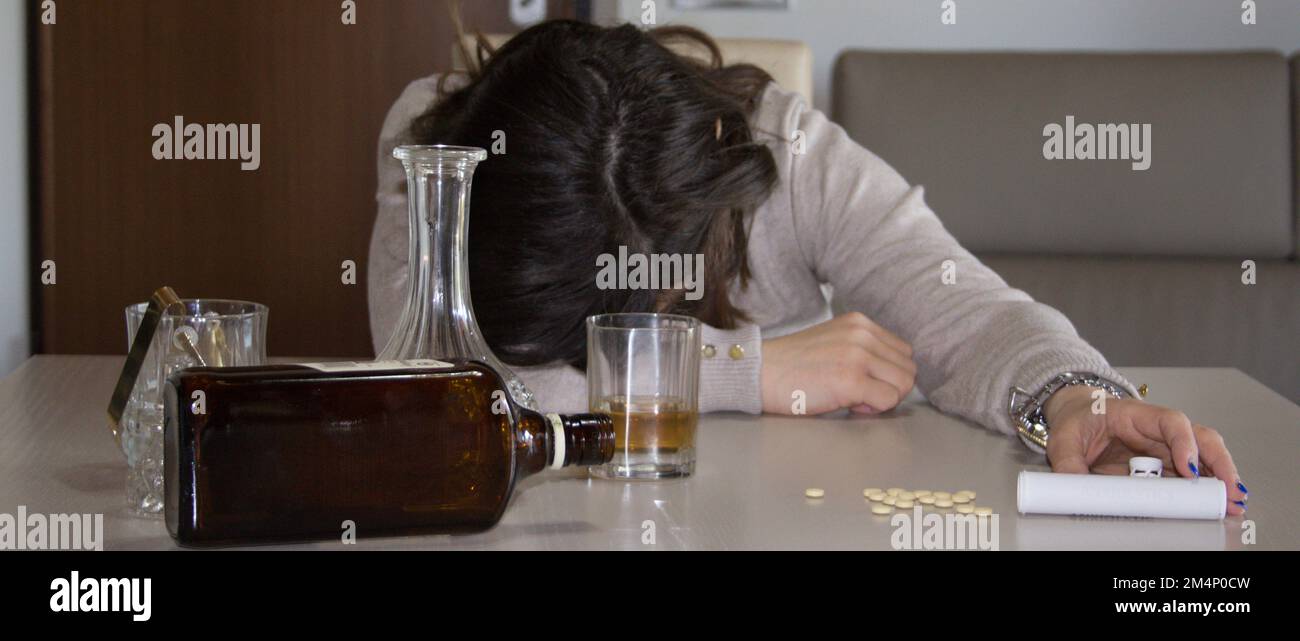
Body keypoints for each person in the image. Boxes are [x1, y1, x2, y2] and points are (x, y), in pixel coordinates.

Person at [367, 20, 1247, 514]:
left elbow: (961, 305)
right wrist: (753, 369)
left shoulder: (783, 151)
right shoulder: (437, 141)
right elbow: (431, 385)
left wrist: (1073, 396)